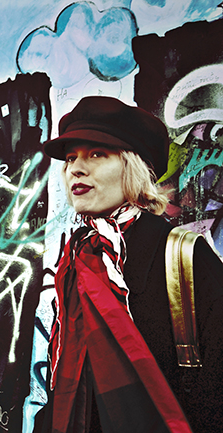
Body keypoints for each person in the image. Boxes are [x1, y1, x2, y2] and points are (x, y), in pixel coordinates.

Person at [34, 96, 223, 433]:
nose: (76, 168)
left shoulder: (182, 256)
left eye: (96, 154)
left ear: (132, 166)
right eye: (70, 158)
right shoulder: (80, 255)